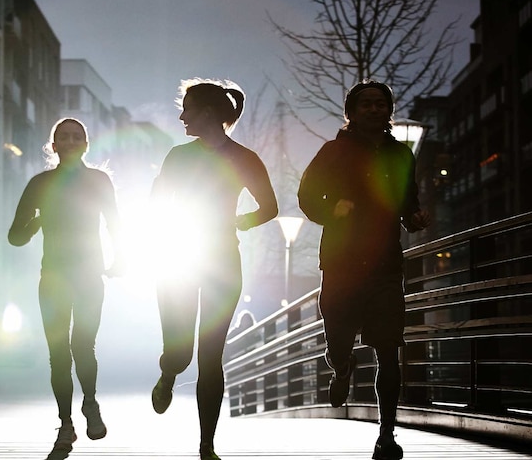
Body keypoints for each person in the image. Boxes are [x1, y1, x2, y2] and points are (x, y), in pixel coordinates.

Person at [297, 80, 431, 460]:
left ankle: (386, 434)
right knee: (339, 341)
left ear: (388, 111)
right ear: (351, 112)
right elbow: (307, 197)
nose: (373, 109)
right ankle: (341, 366)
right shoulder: (333, 152)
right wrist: (330, 210)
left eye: (380, 104)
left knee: (389, 350)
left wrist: (415, 218)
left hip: (386, 264)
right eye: (365, 104)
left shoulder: (401, 156)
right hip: (341, 262)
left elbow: (407, 202)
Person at [150, 79, 278, 460]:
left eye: (187, 108)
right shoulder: (178, 156)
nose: (181, 115)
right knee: (181, 353)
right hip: (179, 259)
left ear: (207, 114)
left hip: (223, 263)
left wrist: (243, 222)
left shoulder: (245, 159)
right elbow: (157, 203)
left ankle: (207, 445)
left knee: (210, 356)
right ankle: (169, 372)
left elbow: (269, 207)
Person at [8, 118, 124, 460]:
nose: (71, 141)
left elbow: (116, 223)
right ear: (53, 146)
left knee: (82, 346)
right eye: (64, 137)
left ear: (86, 145)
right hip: (53, 278)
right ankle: (66, 424)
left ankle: (90, 402)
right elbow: (15, 237)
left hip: (90, 275)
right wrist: (39, 220)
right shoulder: (40, 184)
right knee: (58, 354)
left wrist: (122, 258)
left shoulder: (99, 181)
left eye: (78, 137)